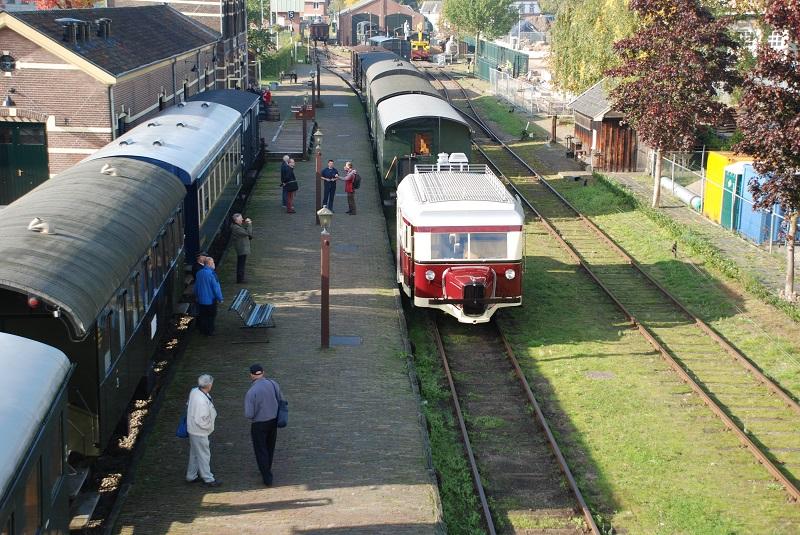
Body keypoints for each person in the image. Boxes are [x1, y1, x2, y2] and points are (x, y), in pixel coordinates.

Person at [245, 364, 283, 486]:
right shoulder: (273, 384)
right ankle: (267, 467)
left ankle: (267, 476)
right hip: (273, 421)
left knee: (261, 449)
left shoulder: (252, 392)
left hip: (259, 424)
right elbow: (281, 399)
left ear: (251, 375)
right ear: (263, 372)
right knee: (270, 446)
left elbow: (249, 414)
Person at [186, 374, 220, 487]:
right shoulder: (201, 400)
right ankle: (208, 478)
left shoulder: (194, 391)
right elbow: (201, 420)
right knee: (204, 454)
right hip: (199, 432)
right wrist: (209, 426)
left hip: (193, 429)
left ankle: (191, 476)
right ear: (209, 385)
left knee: (195, 453)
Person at [195, 257, 223, 335]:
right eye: (213, 263)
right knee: (211, 316)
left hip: (201, 300)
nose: (214, 264)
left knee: (203, 316)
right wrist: (220, 298)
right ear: (209, 264)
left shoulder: (199, 273)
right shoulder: (212, 274)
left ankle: (203, 330)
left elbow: (196, 287)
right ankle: (209, 331)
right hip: (211, 301)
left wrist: (196, 296)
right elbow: (216, 288)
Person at [230, 213, 253, 284]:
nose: (242, 219)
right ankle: (240, 279)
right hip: (241, 248)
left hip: (242, 248)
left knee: (241, 263)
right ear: (236, 220)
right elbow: (248, 233)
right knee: (241, 264)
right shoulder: (236, 228)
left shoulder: (237, 226)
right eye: (241, 218)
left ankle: (241, 278)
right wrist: (249, 224)